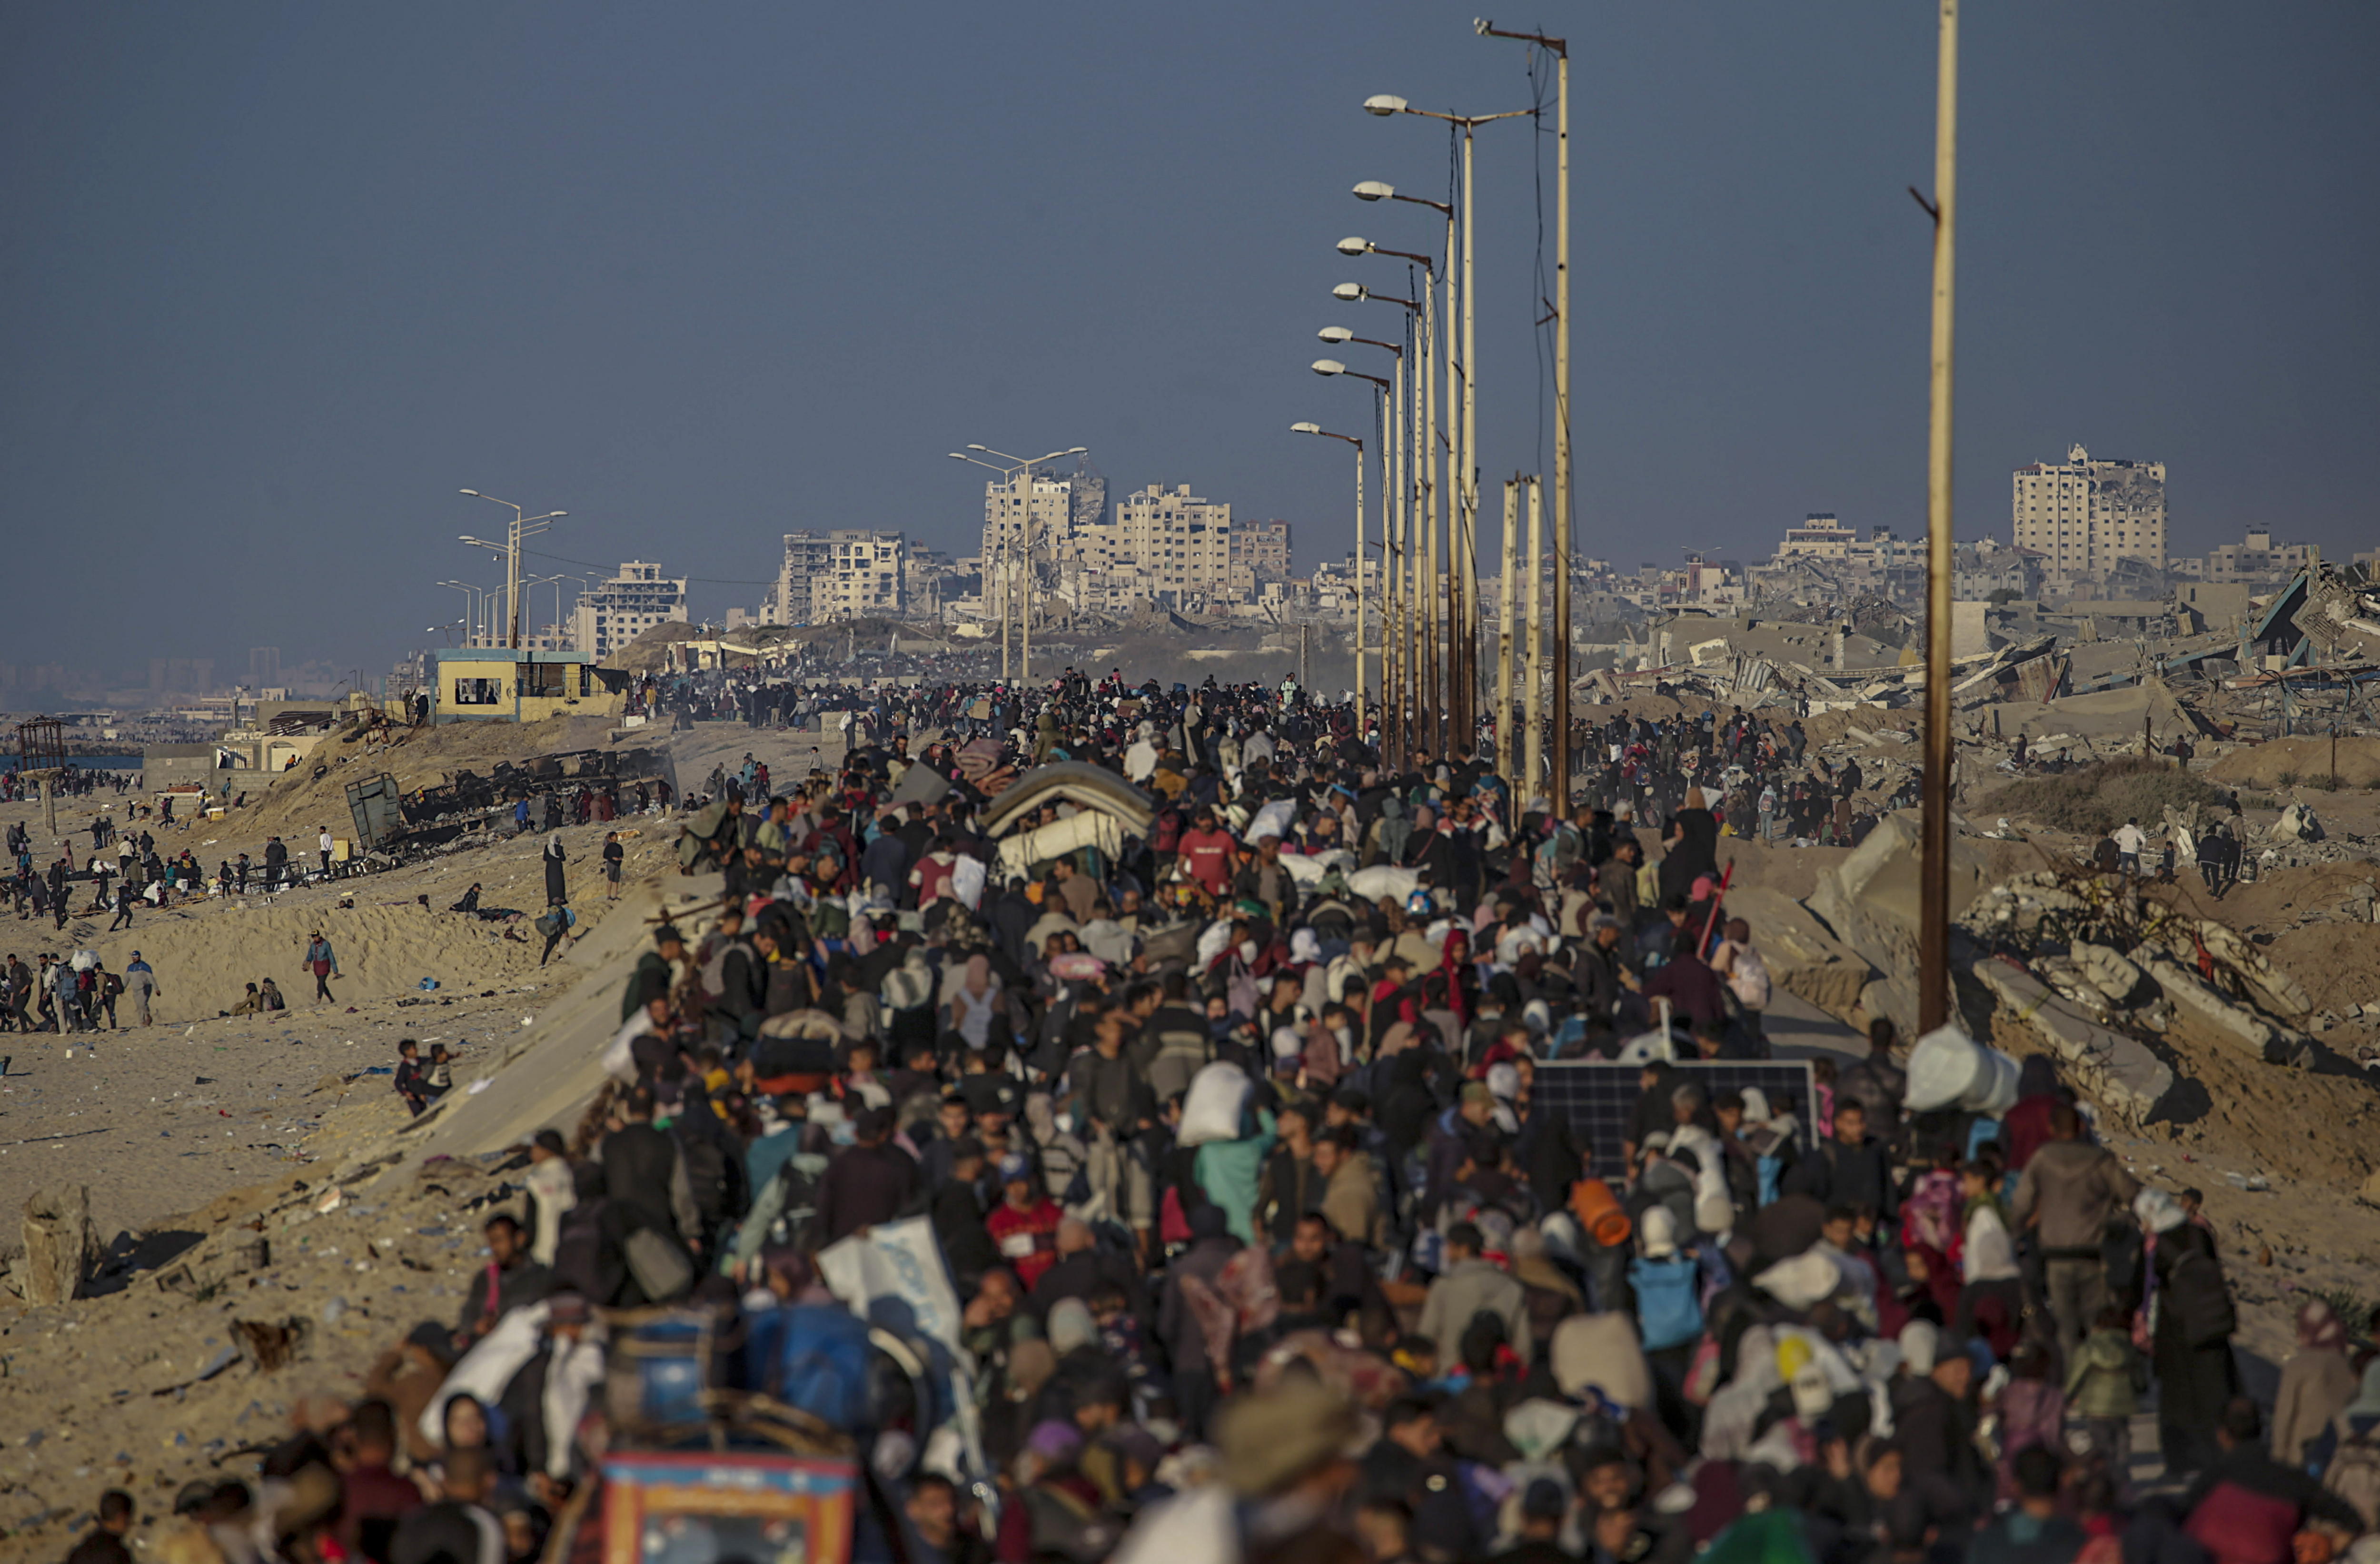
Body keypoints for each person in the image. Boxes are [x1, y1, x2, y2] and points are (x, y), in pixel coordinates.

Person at [303, 931, 339, 1005]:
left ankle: (318, 1001)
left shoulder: (326, 944)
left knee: (320, 984)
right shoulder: (313, 946)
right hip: (317, 967)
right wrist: (306, 964)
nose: (315, 939)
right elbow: (310, 956)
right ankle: (332, 1000)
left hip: (325, 966)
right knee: (323, 985)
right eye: (314, 938)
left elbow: (331, 956)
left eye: (316, 937)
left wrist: (335, 970)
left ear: (319, 936)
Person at [602, 831, 624, 900]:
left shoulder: (619, 846)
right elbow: (605, 855)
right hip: (611, 864)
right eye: (615, 836)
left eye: (616, 836)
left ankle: (615, 896)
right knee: (610, 880)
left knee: (616, 881)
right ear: (611, 838)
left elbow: (622, 854)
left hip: (618, 864)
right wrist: (613, 858)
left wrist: (620, 858)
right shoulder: (609, 847)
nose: (616, 838)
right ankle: (609, 896)